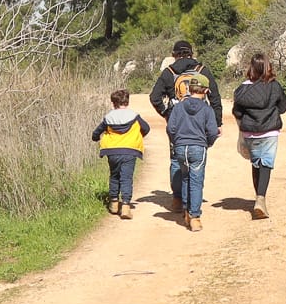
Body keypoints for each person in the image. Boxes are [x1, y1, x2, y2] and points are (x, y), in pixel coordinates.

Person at [231, 50, 286, 219]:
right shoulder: (274, 86)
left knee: (256, 163)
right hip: (270, 131)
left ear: (251, 68)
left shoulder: (242, 89)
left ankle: (259, 197)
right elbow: (283, 107)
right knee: (266, 164)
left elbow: (237, 112)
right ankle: (260, 199)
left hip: (250, 133)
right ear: (267, 67)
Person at [164, 68, 220, 230]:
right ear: (206, 91)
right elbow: (212, 131)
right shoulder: (207, 109)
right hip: (198, 147)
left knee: (185, 178)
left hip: (181, 147)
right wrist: (208, 143)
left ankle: (186, 211)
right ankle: (194, 216)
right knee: (196, 181)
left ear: (189, 88)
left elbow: (170, 128)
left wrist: (177, 142)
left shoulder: (178, 107)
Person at [90, 88, 149, 219]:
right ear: (127, 102)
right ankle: (126, 206)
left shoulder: (108, 118)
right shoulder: (134, 116)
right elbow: (146, 128)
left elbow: (96, 133)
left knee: (114, 176)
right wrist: (137, 136)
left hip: (112, 151)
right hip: (130, 150)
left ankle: (114, 204)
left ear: (113, 103)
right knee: (126, 178)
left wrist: (96, 138)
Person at [150, 38, 222, 124]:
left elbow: (155, 97)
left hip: (177, 120)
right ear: (191, 54)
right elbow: (215, 98)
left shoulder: (169, 72)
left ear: (174, 55)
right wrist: (217, 122)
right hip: (201, 118)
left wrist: (167, 114)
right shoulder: (202, 70)